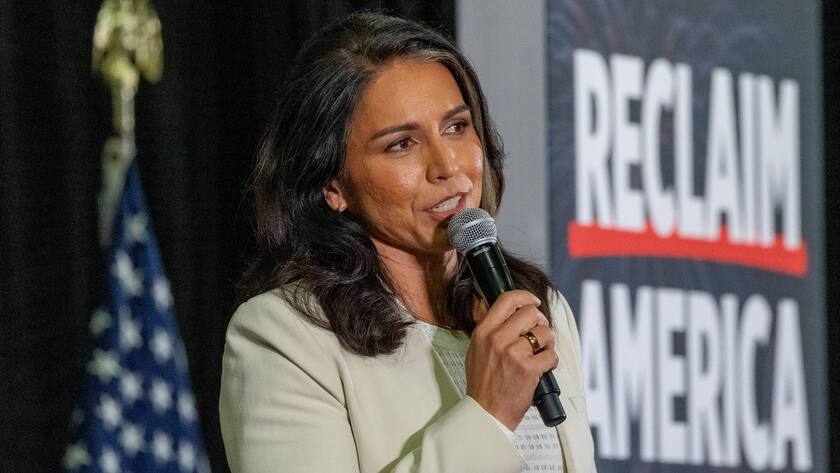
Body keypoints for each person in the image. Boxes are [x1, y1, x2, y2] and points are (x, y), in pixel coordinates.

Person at [219, 11, 596, 473]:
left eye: (457, 127)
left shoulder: (540, 309)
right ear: (333, 186)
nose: (447, 166)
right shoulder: (286, 338)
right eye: (401, 144)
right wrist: (488, 414)